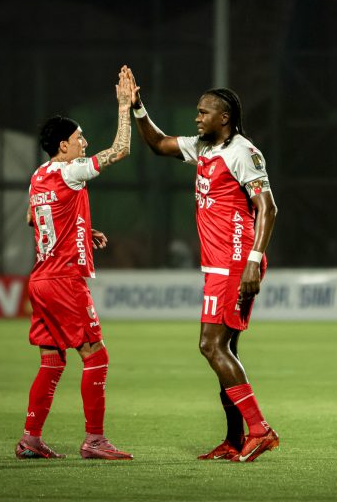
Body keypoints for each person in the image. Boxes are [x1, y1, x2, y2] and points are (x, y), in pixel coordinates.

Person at [126, 67, 279, 462]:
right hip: (218, 265)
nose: (197, 118)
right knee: (226, 354)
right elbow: (159, 144)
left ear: (224, 118)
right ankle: (233, 441)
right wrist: (137, 107)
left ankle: (260, 430)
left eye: (203, 112)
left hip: (235, 262)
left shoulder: (242, 152)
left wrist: (252, 262)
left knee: (210, 346)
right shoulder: (205, 148)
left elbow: (268, 207)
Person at [15, 66, 134, 461]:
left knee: (52, 360)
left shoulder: (38, 176)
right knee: (95, 355)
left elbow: (35, 219)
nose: (84, 142)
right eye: (79, 138)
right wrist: (123, 106)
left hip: (40, 279)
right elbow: (120, 150)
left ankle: (30, 439)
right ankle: (94, 440)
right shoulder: (72, 171)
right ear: (63, 146)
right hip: (65, 279)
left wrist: (83, 229)